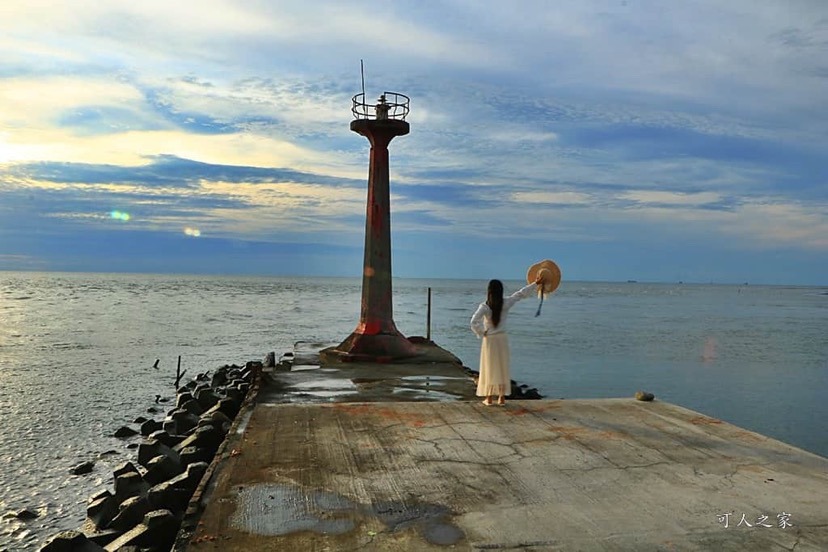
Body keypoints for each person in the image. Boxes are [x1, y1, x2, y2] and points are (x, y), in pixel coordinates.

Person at [470, 275, 542, 406]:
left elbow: (473, 321)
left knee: (489, 368)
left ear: (489, 291)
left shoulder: (485, 306)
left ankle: (489, 398)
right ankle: (501, 398)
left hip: (490, 340)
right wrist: (535, 284)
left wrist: (482, 332)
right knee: (502, 367)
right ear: (501, 291)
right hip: (502, 339)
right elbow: (520, 294)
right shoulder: (506, 303)